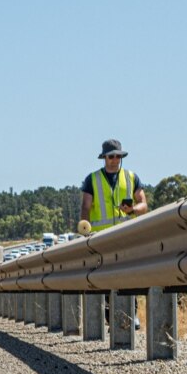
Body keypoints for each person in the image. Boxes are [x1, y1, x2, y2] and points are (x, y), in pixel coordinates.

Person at [80, 138, 148, 329]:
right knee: (107, 278)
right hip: (101, 238)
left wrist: (133, 209)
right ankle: (112, 318)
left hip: (126, 236)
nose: (115, 159)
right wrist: (85, 229)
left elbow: (144, 205)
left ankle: (131, 315)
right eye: (111, 156)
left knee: (128, 276)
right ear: (104, 158)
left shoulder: (132, 177)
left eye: (118, 156)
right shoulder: (92, 179)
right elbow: (85, 207)